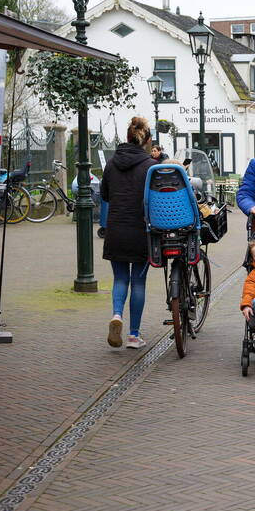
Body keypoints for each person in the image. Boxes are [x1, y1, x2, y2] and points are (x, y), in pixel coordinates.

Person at [101, 117, 158, 349]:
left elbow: (104, 195)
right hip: (140, 232)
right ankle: (134, 335)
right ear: (147, 141)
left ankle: (116, 315)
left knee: (120, 278)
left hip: (115, 229)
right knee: (139, 282)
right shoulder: (149, 166)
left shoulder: (111, 163)